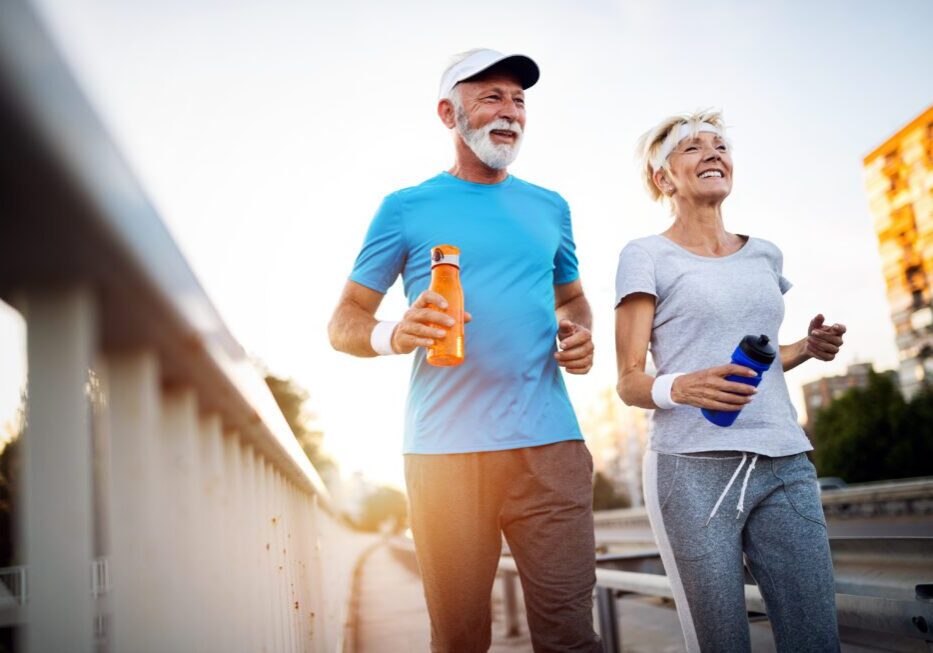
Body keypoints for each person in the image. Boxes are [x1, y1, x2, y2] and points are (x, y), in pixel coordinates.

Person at [328, 48, 601, 653]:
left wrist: (576, 332)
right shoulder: (405, 207)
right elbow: (343, 321)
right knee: (459, 638)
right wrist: (394, 333)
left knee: (571, 634)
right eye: (491, 97)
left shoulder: (550, 207)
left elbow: (574, 298)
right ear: (449, 112)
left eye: (519, 100)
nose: (510, 112)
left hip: (551, 446)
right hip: (445, 453)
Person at [614, 109, 845, 652]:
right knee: (721, 642)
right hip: (693, 469)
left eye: (719, 146)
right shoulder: (645, 256)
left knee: (816, 639)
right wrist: (682, 387)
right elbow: (628, 381)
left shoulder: (765, 254)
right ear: (663, 178)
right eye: (693, 148)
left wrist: (806, 350)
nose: (713, 154)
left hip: (785, 461)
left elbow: (756, 363)